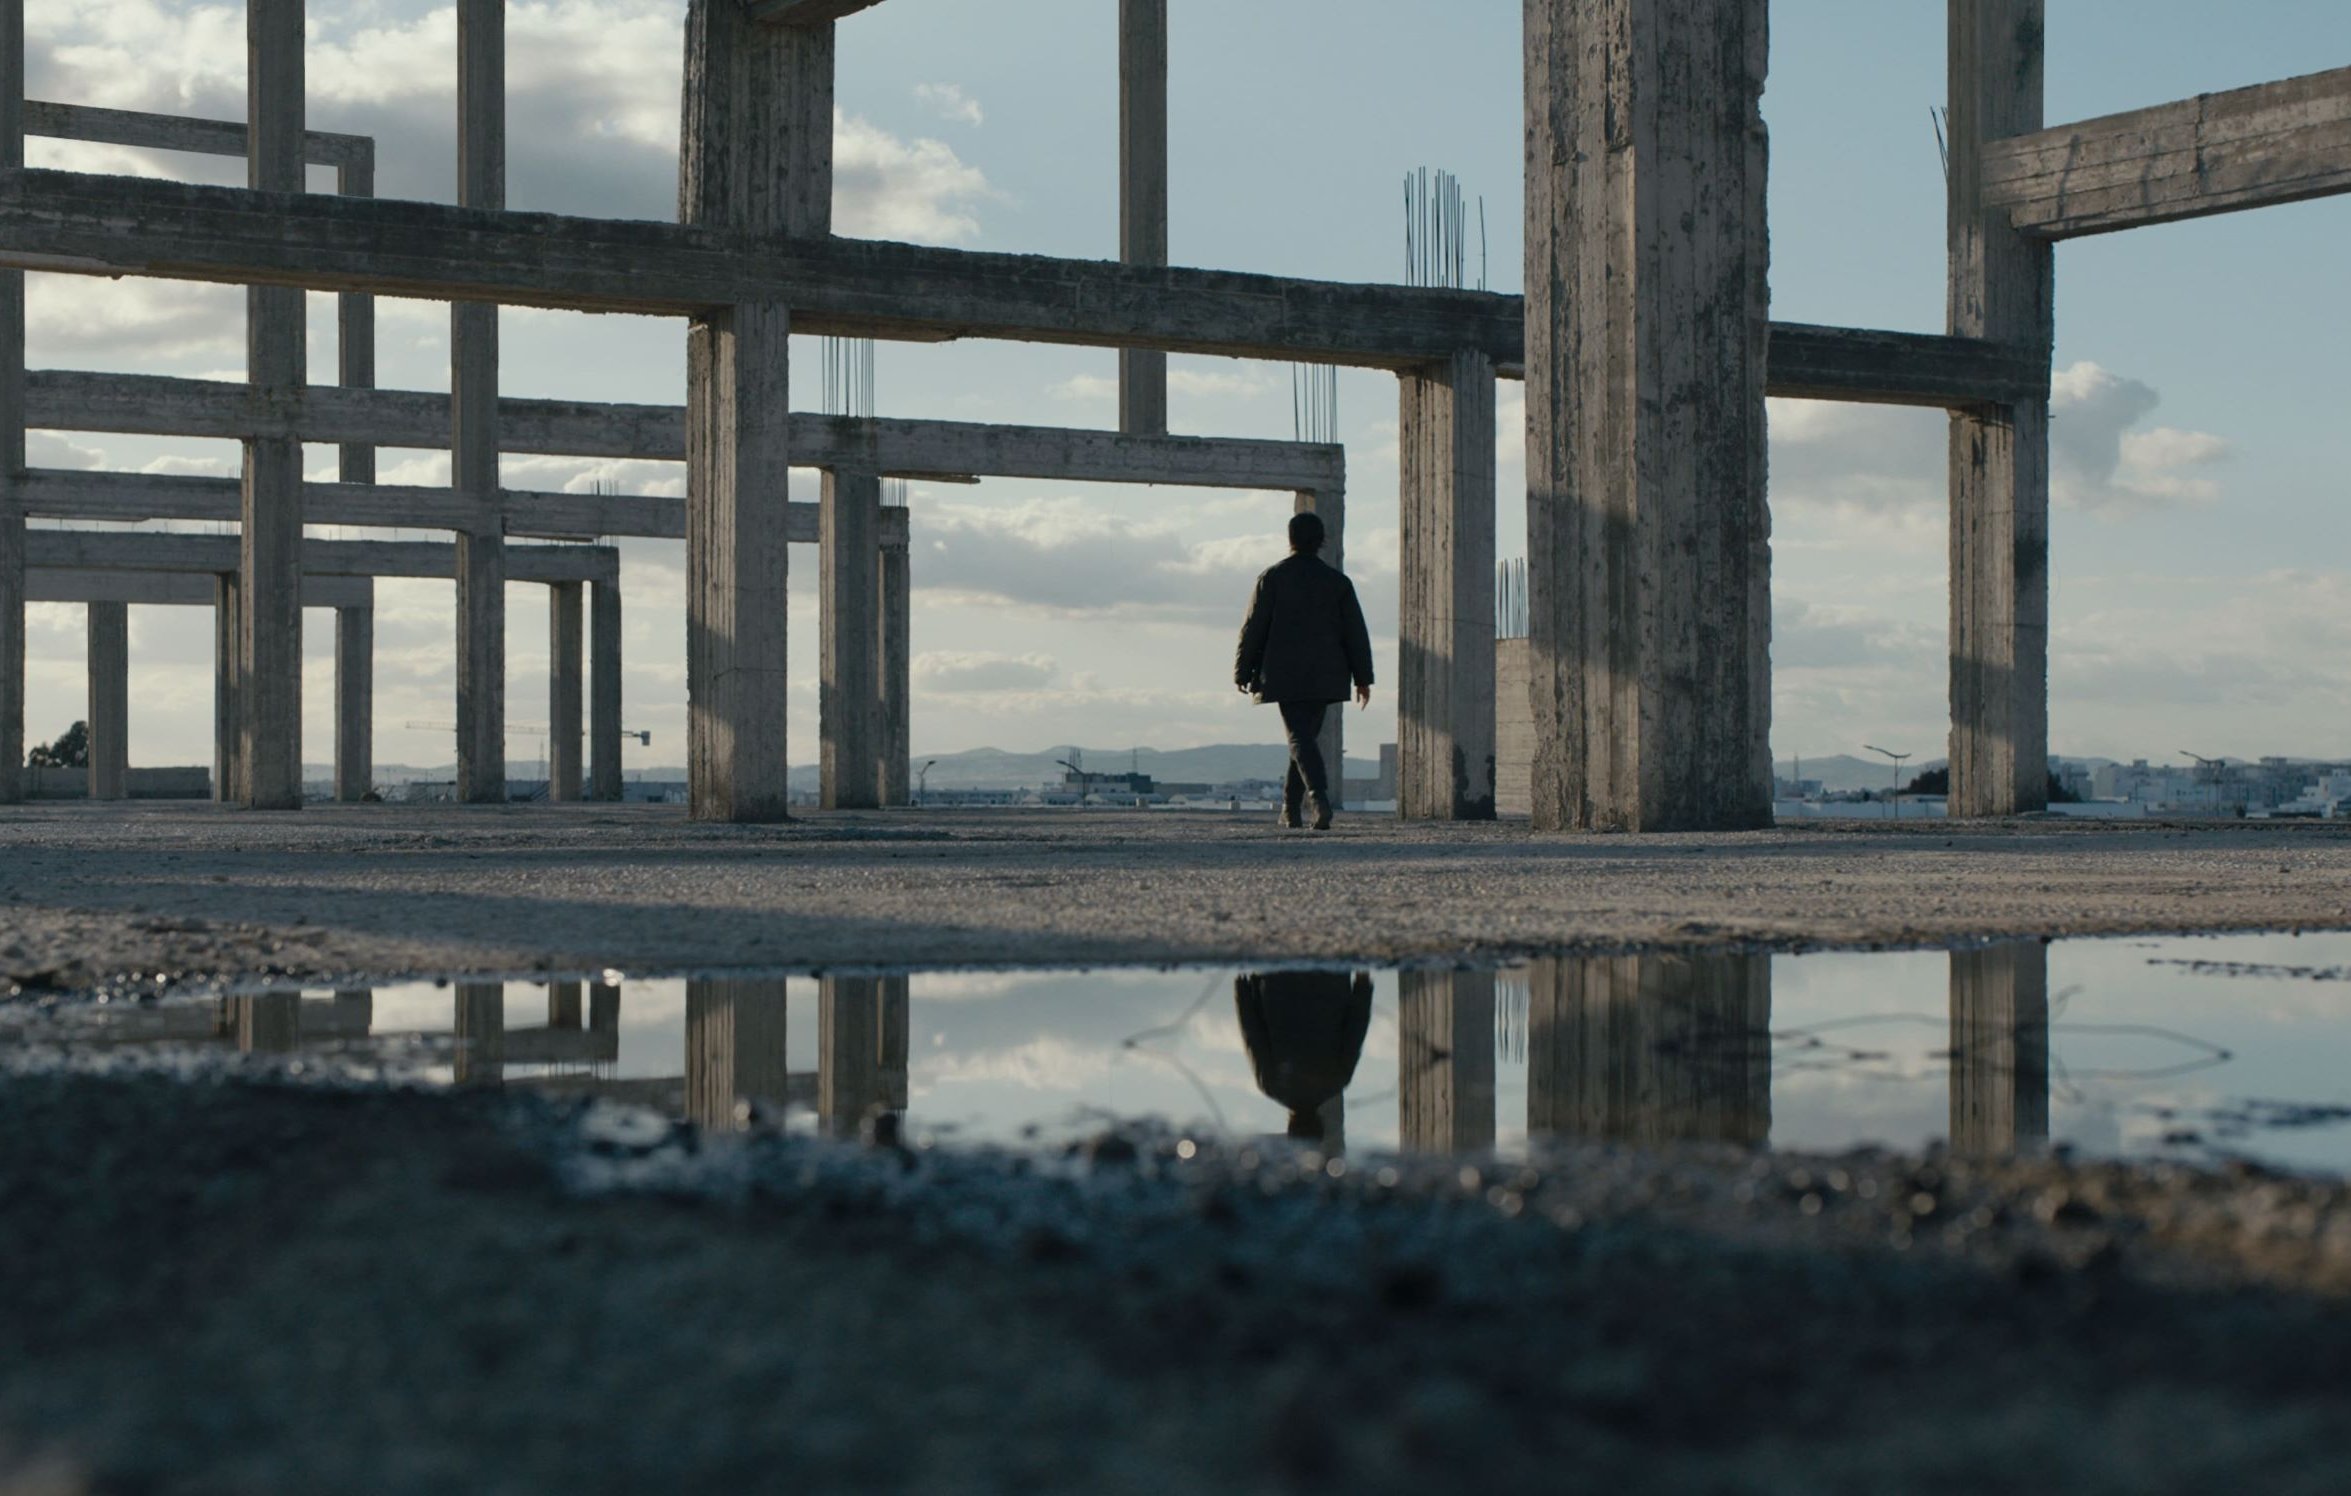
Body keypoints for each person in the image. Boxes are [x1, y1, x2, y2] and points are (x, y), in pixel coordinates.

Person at [1232, 512, 1374, 830]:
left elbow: (1254, 627)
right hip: (1327, 675)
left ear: (1290, 539)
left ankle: (1318, 799)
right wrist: (1362, 677)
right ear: (1322, 541)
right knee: (1304, 738)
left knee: (1299, 738)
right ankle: (1290, 809)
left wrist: (1242, 670)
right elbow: (1356, 632)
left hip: (1284, 673)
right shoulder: (1338, 583)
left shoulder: (1272, 577)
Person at [1232, 970, 1374, 1145]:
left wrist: (1362, 985)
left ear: (1320, 1123)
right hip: (1279, 986)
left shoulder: (1337, 1080)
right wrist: (1243, 989)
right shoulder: (1271, 1085)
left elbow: (1355, 1030)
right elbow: (1254, 1034)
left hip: (1331, 984)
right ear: (1290, 1125)